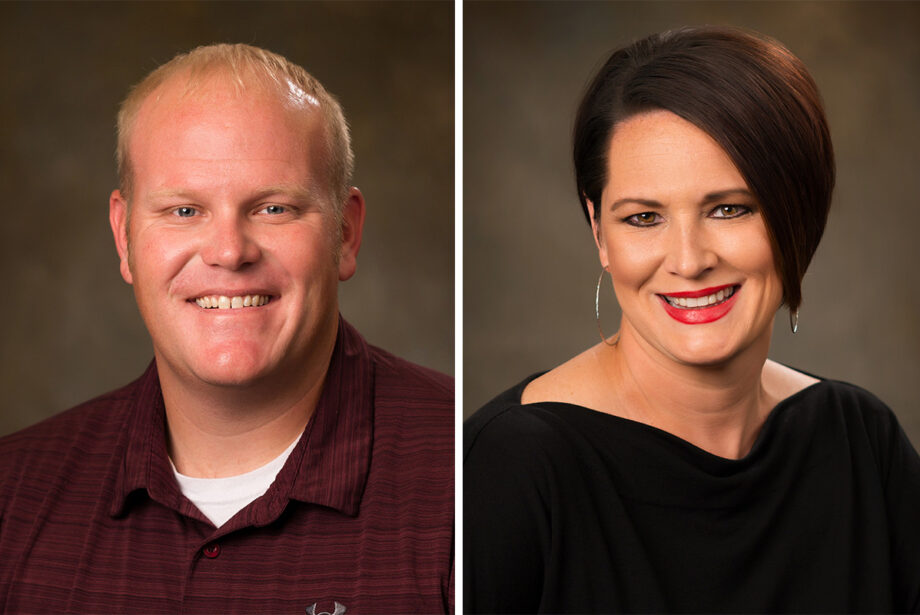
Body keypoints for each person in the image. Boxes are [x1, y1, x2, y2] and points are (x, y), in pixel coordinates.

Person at [464, 26, 920, 613]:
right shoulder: (504, 471)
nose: (689, 260)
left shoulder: (861, 443)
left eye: (729, 209)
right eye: (643, 218)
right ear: (598, 229)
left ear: (796, 215)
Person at [0, 44, 453, 613]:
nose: (229, 251)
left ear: (345, 233)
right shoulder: (13, 497)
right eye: (184, 211)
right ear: (124, 237)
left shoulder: (471, 478)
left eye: (274, 208)